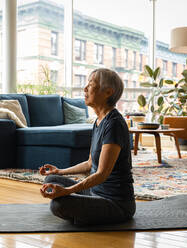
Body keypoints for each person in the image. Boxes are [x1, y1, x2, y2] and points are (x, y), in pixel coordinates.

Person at [39, 68, 136, 225]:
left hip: (116, 203)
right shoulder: (99, 121)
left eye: (91, 84)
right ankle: (84, 213)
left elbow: (102, 174)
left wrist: (67, 191)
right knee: (51, 179)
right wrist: (60, 171)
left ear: (108, 92)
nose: (85, 88)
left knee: (58, 205)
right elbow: (90, 164)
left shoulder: (114, 124)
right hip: (94, 192)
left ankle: (86, 215)